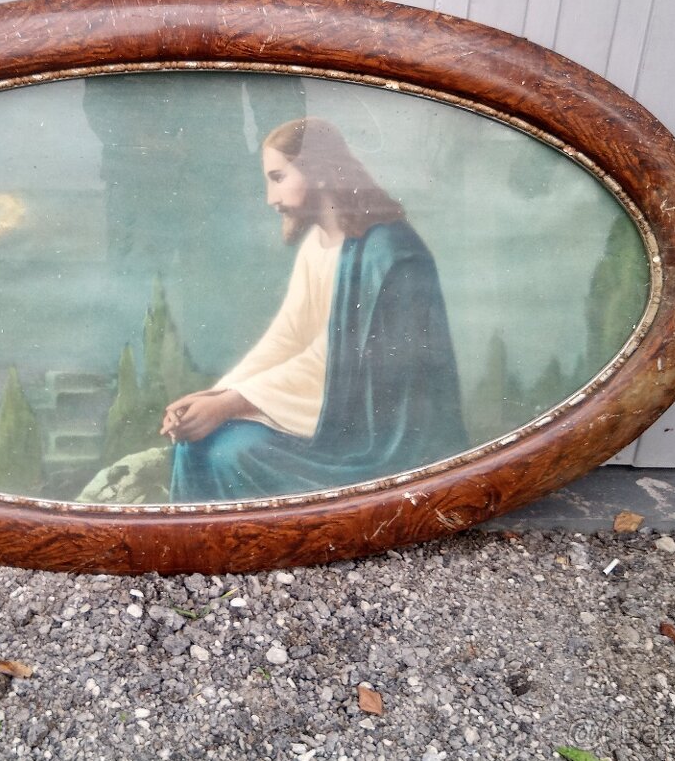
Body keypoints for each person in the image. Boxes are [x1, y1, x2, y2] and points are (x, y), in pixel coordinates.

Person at [163, 117, 466, 502]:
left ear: (319, 170)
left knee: (230, 453)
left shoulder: (386, 252)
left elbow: (336, 361)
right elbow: (287, 337)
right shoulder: (317, 245)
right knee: (197, 443)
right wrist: (212, 398)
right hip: (324, 413)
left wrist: (230, 404)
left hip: (376, 441)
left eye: (278, 178)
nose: (270, 198)